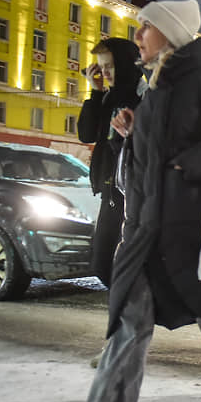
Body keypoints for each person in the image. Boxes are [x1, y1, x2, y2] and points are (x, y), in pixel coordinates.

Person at [57, 0, 201, 402]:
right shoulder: (155, 82)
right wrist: (131, 130)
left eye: (144, 28)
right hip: (147, 222)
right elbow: (157, 144)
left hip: (187, 221)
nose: (137, 38)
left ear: (168, 33)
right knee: (129, 316)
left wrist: (181, 165)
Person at [78, 38, 143, 287]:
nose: (104, 72)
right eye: (100, 66)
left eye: (110, 66)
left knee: (117, 264)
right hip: (111, 191)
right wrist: (94, 92)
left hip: (133, 195)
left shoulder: (143, 97)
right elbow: (86, 134)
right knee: (104, 263)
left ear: (126, 64)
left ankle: (133, 314)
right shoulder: (110, 98)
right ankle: (132, 313)